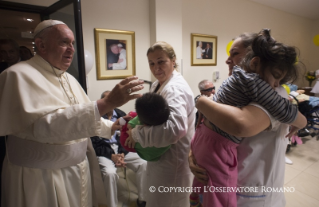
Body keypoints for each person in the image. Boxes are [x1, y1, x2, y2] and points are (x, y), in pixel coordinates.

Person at [0, 19, 144, 207]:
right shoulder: (17, 75)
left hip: (77, 171)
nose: (71, 49)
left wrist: (111, 126)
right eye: (63, 42)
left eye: (72, 44)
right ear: (41, 45)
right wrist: (106, 103)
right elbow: (45, 126)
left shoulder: (70, 79)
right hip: (41, 175)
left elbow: (80, 117)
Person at [189, 30, 306, 207]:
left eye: (235, 54)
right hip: (226, 176)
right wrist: (195, 156)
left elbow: (241, 125)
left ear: (254, 58)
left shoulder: (270, 94)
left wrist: (200, 101)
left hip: (252, 195)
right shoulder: (242, 86)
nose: (228, 60)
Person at [125, 41, 195, 207]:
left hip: (173, 164)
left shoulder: (174, 89)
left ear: (173, 60)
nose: (156, 67)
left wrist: (136, 133)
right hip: (160, 158)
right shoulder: (158, 84)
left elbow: (174, 129)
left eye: (161, 61)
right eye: (152, 63)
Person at [91, 90, 147, 207]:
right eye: (108, 100)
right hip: (104, 152)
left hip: (121, 148)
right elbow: (94, 143)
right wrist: (112, 156)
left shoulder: (122, 114)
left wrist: (122, 153)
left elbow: (127, 135)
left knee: (143, 163)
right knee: (110, 173)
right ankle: (112, 204)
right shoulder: (95, 118)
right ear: (102, 102)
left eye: (113, 100)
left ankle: (142, 199)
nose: (111, 103)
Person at [120, 92, 171, 161]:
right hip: (154, 156)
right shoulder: (170, 131)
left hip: (147, 156)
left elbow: (129, 125)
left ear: (143, 123)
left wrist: (132, 133)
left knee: (131, 115)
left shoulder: (135, 131)